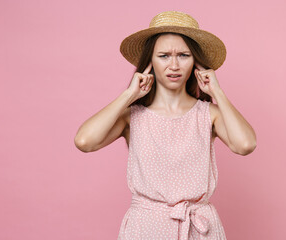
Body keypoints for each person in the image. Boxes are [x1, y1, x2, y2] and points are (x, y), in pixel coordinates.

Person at [74, 10, 257, 240]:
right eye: (163, 56)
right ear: (149, 61)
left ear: (196, 63)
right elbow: (84, 141)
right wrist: (128, 95)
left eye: (183, 55)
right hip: (145, 229)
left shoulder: (208, 114)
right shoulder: (131, 116)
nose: (173, 65)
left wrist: (217, 92)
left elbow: (246, 144)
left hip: (198, 229)